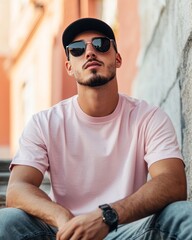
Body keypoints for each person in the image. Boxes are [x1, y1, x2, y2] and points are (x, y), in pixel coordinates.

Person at [0, 17, 191, 240]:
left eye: (100, 44)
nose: (90, 53)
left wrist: (107, 216)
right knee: (7, 221)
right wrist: (63, 217)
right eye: (78, 49)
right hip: (65, 232)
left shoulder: (148, 117)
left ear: (117, 58)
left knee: (183, 215)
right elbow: (17, 188)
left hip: (129, 231)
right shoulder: (45, 123)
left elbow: (173, 181)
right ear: (69, 67)